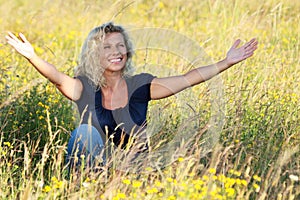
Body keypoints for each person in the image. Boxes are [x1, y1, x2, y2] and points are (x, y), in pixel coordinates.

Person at [5, 22, 258, 171]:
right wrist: (32, 56)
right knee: (85, 134)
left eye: (120, 45)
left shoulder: (140, 85)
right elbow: (57, 77)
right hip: (96, 169)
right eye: (107, 47)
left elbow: (187, 78)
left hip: (132, 168)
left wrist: (227, 62)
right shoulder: (85, 88)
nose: (116, 52)